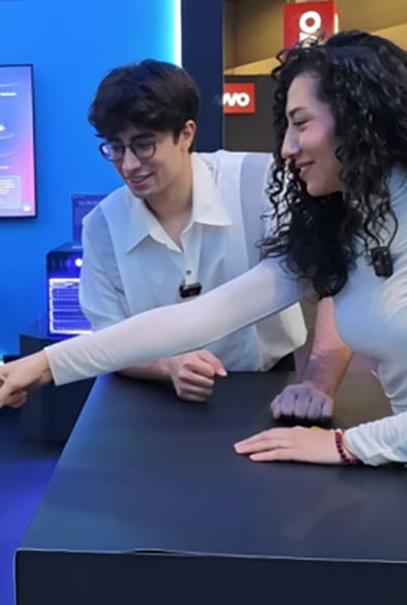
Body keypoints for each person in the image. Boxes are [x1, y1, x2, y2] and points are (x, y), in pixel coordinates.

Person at [0, 30, 407, 470]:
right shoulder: (348, 222)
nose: (287, 149)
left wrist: (350, 443)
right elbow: (202, 316)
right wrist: (46, 366)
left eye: (301, 124)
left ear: (361, 118)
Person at [79, 60, 350, 415]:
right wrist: (166, 366)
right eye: (116, 147)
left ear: (186, 134)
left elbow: (335, 282)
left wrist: (317, 382)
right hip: (152, 395)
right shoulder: (102, 226)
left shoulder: (260, 182)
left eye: (144, 145)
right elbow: (107, 339)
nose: (129, 164)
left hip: (267, 384)